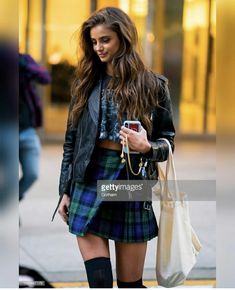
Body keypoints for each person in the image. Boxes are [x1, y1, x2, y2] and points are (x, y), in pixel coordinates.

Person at [55, 7, 175, 288]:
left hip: (130, 185)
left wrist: (146, 146)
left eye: (105, 40)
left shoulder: (153, 85)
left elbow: (167, 143)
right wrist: (65, 190)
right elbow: (71, 143)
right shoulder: (84, 84)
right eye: (94, 42)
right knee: (99, 283)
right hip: (89, 180)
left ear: (123, 37)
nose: (98, 47)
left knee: (130, 285)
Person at [19, 53, 51, 202]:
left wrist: (23, 64)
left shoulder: (23, 61)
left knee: (32, 174)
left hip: (27, 130)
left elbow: (45, 77)